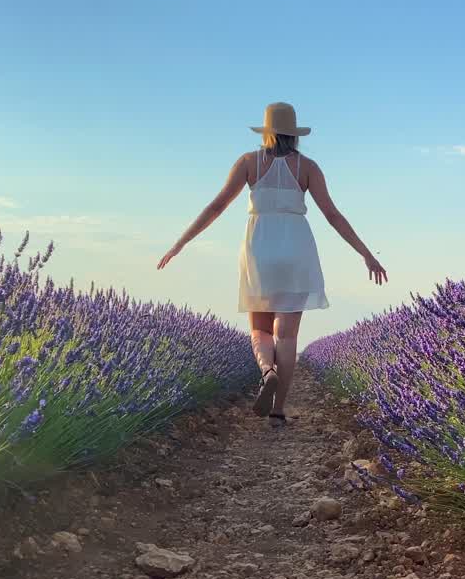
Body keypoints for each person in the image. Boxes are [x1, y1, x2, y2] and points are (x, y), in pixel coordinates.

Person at [157, 102, 387, 426]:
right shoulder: (307, 167)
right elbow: (333, 216)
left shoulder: (249, 162)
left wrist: (181, 242)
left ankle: (267, 371)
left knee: (260, 330)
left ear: (266, 132)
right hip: (297, 249)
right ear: (295, 135)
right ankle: (278, 411)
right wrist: (366, 253)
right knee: (287, 337)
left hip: (259, 249)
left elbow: (217, 206)